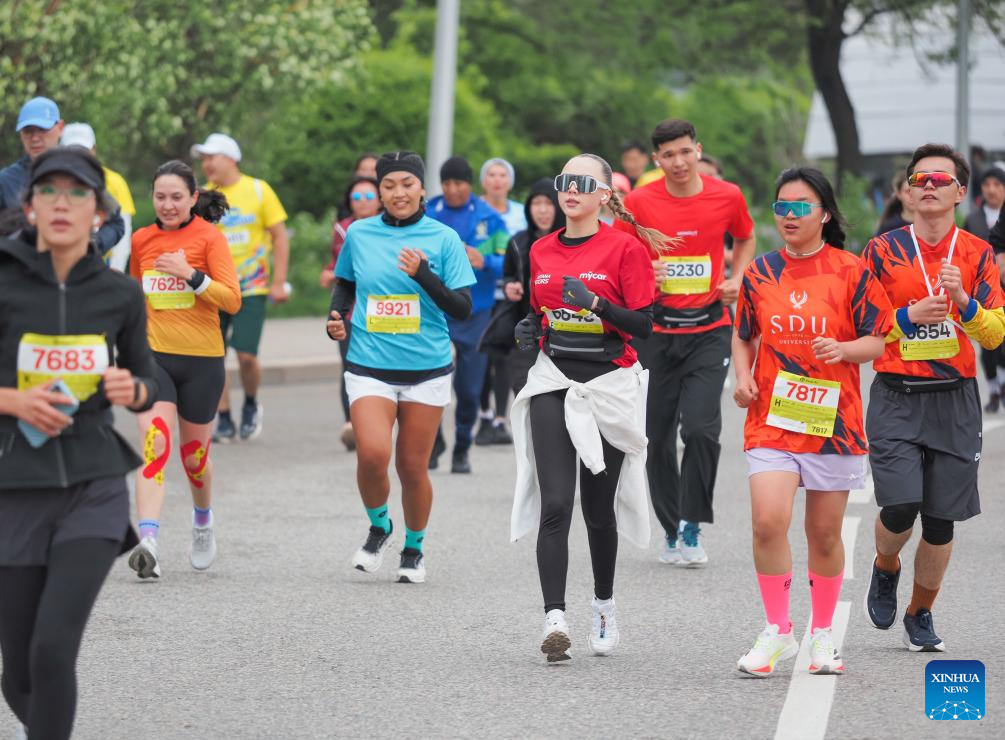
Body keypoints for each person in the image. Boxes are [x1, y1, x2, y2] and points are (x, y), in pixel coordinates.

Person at [0, 146, 158, 739]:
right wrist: (12, 400)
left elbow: (147, 379)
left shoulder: (120, 294)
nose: (61, 203)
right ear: (30, 206)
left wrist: (133, 389)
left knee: (52, 649)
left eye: (77, 193)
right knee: (18, 673)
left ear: (99, 212)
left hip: (93, 486)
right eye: (49, 191)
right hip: (14, 484)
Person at [732, 167, 893, 677]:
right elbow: (744, 335)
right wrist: (742, 377)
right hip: (772, 418)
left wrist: (843, 349)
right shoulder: (761, 272)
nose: (790, 215)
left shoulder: (851, 271)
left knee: (823, 534)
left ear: (824, 213)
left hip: (833, 421)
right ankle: (778, 630)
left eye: (801, 206)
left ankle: (822, 635)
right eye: (782, 206)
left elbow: (877, 341)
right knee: (767, 522)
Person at [510, 153, 666, 662]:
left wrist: (596, 304)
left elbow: (643, 326)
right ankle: (554, 618)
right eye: (564, 181)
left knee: (598, 512)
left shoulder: (625, 249)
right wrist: (529, 329)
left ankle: (603, 605)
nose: (570, 190)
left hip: (607, 385)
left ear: (604, 195)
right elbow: (539, 315)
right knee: (556, 503)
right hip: (554, 380)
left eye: (582, 182)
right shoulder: (540, 249)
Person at [862, 143, 1005, 652]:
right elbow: (862, 326)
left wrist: (963, 301)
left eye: (939, 179)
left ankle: (920, 612)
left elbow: (994, 335)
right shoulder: (882, 251)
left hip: (955, 397)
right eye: (919, 179)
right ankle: (885, 567)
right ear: (907, 190)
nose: (927, 186)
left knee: (941, 519)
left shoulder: (977, 253)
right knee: (901, 505)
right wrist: (907, 317)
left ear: (960, 192)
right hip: (897, 394)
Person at [325, 151, 476, 583]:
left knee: (412, 467)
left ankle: (414, 547)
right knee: (373, 455)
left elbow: (462, 308)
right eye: (388, 186)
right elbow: (345, 283)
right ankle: (379, 527)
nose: (398, 193)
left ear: (422, 188)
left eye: (407, 184)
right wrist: (336, 316)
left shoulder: (444, 238)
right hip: (369, 364)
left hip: (427, 368)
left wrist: (424, 275)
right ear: (379, 191)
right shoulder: (360, 233)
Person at [616, 118, 756, 566]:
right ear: (656, 160)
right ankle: (671, 527)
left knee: (700, 430)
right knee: (656, 438)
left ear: (697, 149)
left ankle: (692, 523)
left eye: (684, 151)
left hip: (708, 331)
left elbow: (746, 236)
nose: (678, 161)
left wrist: (738, 277)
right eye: (668, 155)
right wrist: (645, 271)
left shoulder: (727, 195)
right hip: (656, 333)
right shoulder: (638, 202)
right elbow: (619, 256)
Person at [126, 160, 242, 579]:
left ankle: (203, 520)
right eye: (160, 197)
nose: (168, 205)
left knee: (194, 458)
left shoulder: (210, 238)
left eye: (177, 197)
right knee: (155, 443)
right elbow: (135, 297)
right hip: (154, 357)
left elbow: (232, 300)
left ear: (193, 197)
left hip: (202, 362)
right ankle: (149, 542)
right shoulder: (142, 239)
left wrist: (191, 275)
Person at [192, 133, 290, 443]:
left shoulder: (259, 190)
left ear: (232, 159)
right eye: (204, 159)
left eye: (212, 157)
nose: (207, 164)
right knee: (214, 356)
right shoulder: (201, 196)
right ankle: (223, 417)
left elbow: (279, 237)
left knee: (246, 355)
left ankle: (250, 403)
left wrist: (278, 282)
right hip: (212, 287)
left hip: (251, 286)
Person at [426, 156, 509, 472]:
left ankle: (462, 446)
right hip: (434, 309)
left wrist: (484, 261)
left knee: (469, 388)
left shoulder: (489, 218)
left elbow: (508, 262)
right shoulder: (428, 212)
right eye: (446, 183)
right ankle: (433, 441)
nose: (452, 189)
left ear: (469, 184)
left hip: (475, 311)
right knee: (429, 380)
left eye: (458, 183)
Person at [0, 97, 125, 253]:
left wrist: (93, 245)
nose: (35, 138)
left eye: (42, 129)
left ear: (60, 127)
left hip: (74, 266)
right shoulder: (5, 180)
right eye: (28, 131)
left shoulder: (81, 171)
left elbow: (116, 223)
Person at [320, 175, 381, 450]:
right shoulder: (343, 229)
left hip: (380, 310)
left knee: (378, 367)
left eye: (368, 196)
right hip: (348, 310)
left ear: (379, 201)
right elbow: (337, 262)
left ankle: (378, 421)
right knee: (350, 365)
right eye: (357, 197)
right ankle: (351, 422)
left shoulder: (390, 229)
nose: (362, 202)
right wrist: (329, 272)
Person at [474, 157, 527, 445]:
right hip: (481, 294)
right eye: (491, 175)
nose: (497, 180)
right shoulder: (475, 211)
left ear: (510, 181)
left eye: (502, 175)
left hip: (510, 296)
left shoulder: (520, 213)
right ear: (483, 181)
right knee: (482, 357)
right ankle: (483, 414)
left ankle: (500, 418)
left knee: (505, 356)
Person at [502, 178, 566, 394]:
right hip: (526, 330)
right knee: (524, 393)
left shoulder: (571, 240)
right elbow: (508, 275)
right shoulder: (517, 242)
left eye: (548, 203)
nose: (542, 210)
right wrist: (510, 286)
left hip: (563, 333)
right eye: (536, 203)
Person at [60, 122, 137, 272]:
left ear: (93, 149)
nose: (79, 157)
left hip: (101, 267)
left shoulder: (114, 181)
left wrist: (115, 273)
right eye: (72, 151)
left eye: (84, 150)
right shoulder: (51, 181)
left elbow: (123, 231)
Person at [964, 166, 1005, 411]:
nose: (992, 189)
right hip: (983, 289)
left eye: (997, 185)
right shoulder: (973, 219)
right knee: (988, 344)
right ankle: (994, 391)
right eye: (987, 185)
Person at [875, 171, 915, 237]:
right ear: (899, 194)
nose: (912, 196)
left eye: (915, 190)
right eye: (907, 191)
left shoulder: (930, 224)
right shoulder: (889, 229)